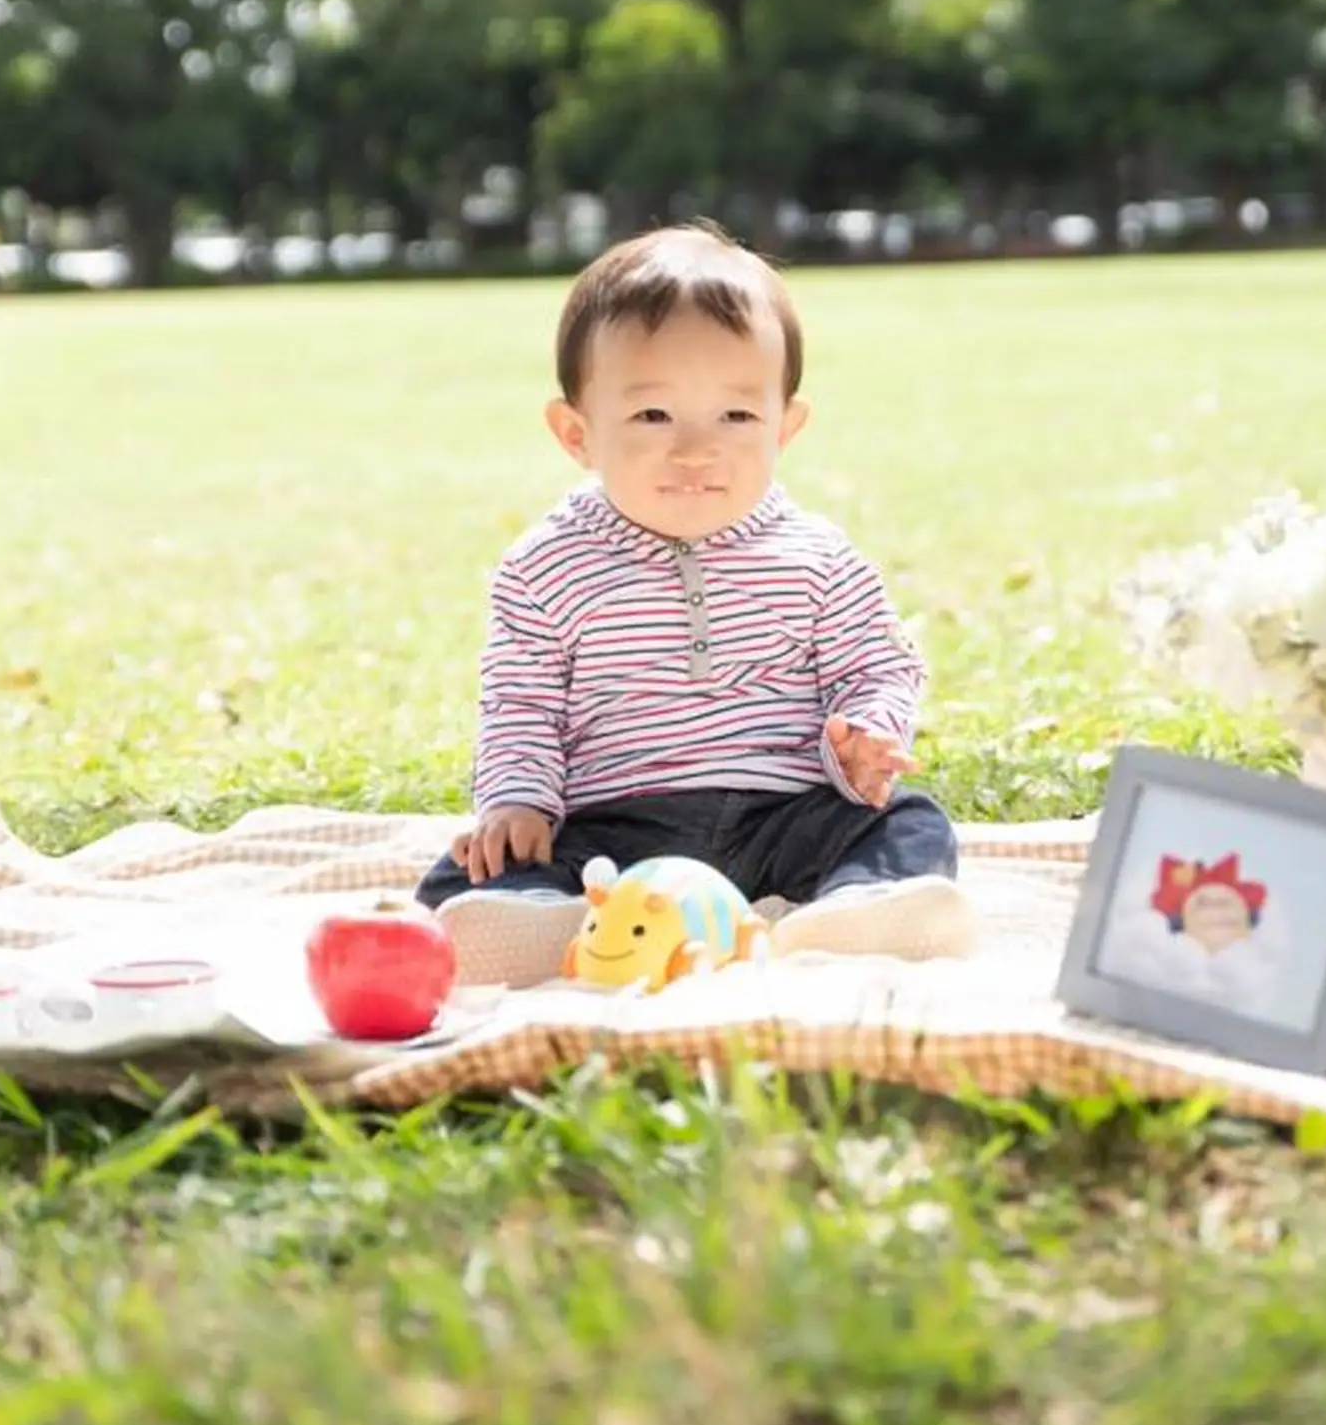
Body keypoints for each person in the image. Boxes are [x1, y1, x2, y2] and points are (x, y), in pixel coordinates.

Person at [417, 221, 975, 986]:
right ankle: (549, 924)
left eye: (736, 416)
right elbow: (521, 703)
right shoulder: (546, 565)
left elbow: (877, 664)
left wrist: (866, 734)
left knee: (910, 820)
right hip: (615, 829)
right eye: (653, 416)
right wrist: (518, 802)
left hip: (783, 812)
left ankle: (861, 911)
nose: (695, 449)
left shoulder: (816, 556)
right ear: (576, 432)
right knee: (468, 870)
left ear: (786, 426)